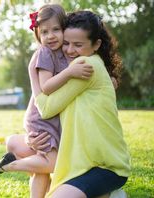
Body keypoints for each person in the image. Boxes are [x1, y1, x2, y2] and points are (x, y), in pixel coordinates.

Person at [0, 4, 94, 198]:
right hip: (42, 119)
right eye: (45, 31)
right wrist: (70, 72)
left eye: (56, 29)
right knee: (52, 163)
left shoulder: (64, 51)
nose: (50, 36)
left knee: (42, 169)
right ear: (38, 34)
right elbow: (46, 86)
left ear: (65, 29)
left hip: (52, 119)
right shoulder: (44, 53)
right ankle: (10, 164)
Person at [34, 10, 131, 198]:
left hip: (106, 167)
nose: (70, 50)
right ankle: (109, 195)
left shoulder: (86, 66)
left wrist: (32, 73)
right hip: (83, 164)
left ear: (96, 45)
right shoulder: (79, 66)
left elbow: (46, 108)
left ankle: (110, 194)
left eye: (78, 45)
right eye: (67, 43)